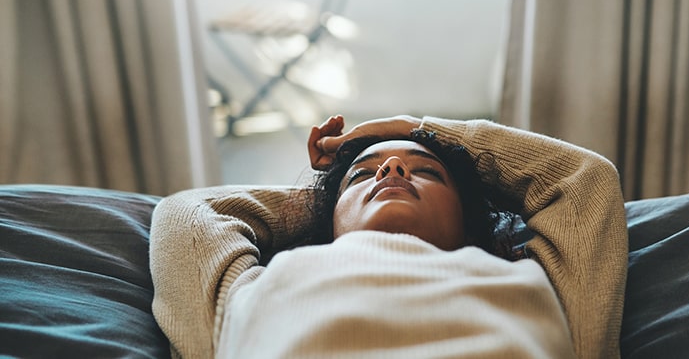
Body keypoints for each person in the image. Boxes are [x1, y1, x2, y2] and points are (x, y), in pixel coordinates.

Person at [149, 115, 628, 359]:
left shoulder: (532, 279)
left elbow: (587, 180)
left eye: (429, 173)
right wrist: (325, 192)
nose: (393, 167)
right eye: (364, 176)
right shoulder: (260, 285)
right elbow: (188, 212)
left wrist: (413, 126)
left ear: (467, 218)